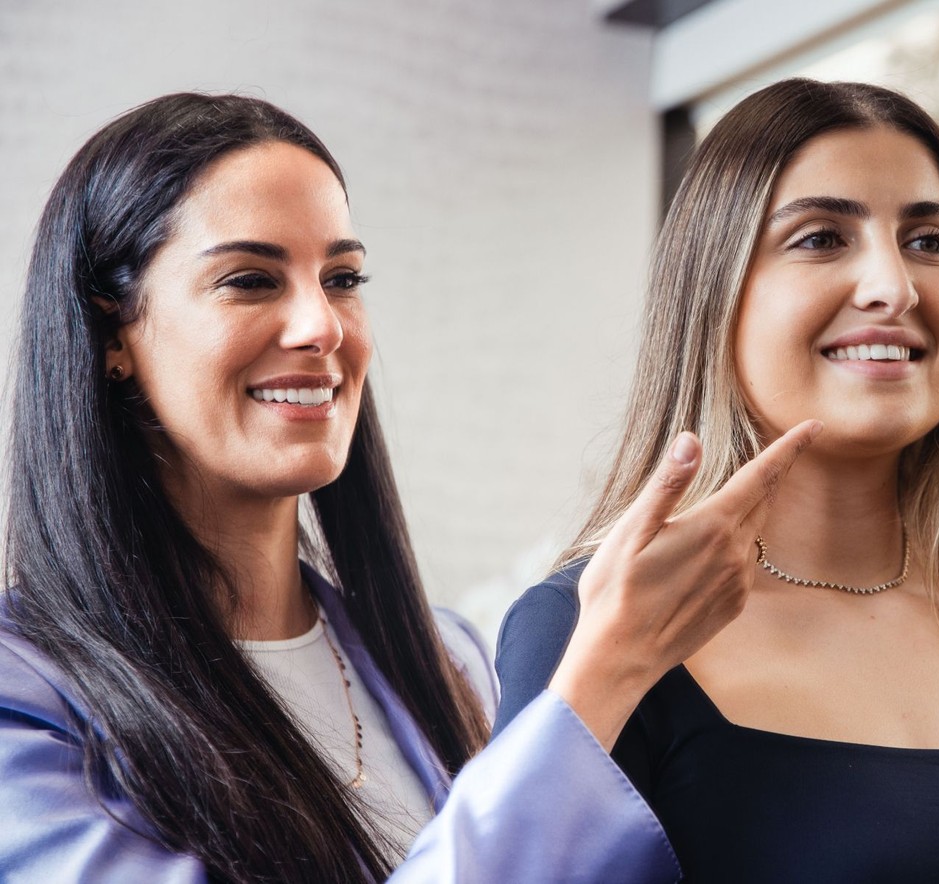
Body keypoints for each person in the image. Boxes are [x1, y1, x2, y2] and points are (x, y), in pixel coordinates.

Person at [0, 92, 817, 882]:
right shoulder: (24, 696)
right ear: (114, 333)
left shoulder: (448, 660)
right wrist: (602, 679)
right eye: (250, 280)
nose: (321, 326)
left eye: (343, 279)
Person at [494, 79, 939, 883]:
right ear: (714, 294)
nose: (894, 287)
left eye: (930, 241)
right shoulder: (592, 629)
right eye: (822, 238)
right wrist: (606, 670)